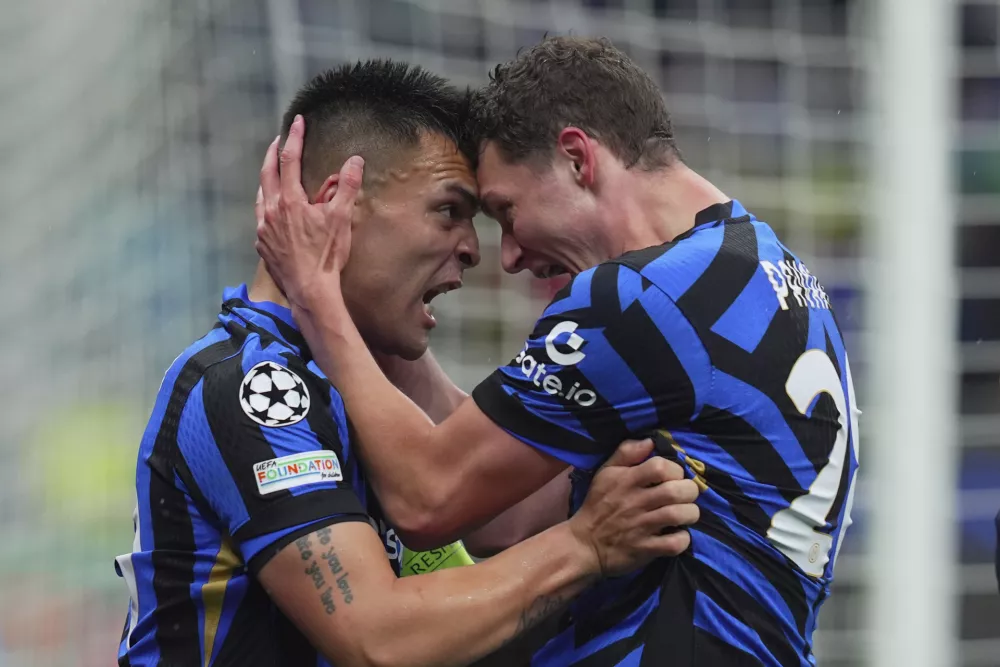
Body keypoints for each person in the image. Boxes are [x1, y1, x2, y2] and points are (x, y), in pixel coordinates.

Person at [256, 37, 861, 666]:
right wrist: (386, 316)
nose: (510, 256)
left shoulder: (642, 297)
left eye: (506, 211)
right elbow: (509, 515)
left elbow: (428, 498)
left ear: (577, 158)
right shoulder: (771, 273)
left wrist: (318, 292)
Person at [113, 60, 701, 667]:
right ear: (333, 205)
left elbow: (501, 511)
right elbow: (377, 639)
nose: (475, 250)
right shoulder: (253, 384)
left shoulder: (356, 371)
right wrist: (584, 547)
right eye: (449, 211)